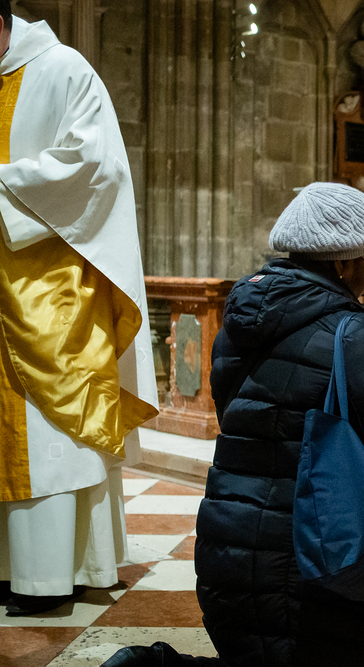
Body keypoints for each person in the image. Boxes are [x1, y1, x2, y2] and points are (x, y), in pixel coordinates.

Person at [103, 183, 364, 667]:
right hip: (313, 555)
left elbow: (241, 418)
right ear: (343, 263)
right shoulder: (356, 333)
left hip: (227, 541)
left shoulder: (240, 314)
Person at [0, 3, 158, 616]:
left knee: (52, 435)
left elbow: (95, 168)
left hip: (53, 293)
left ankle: (47, 577)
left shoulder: (64, 69)